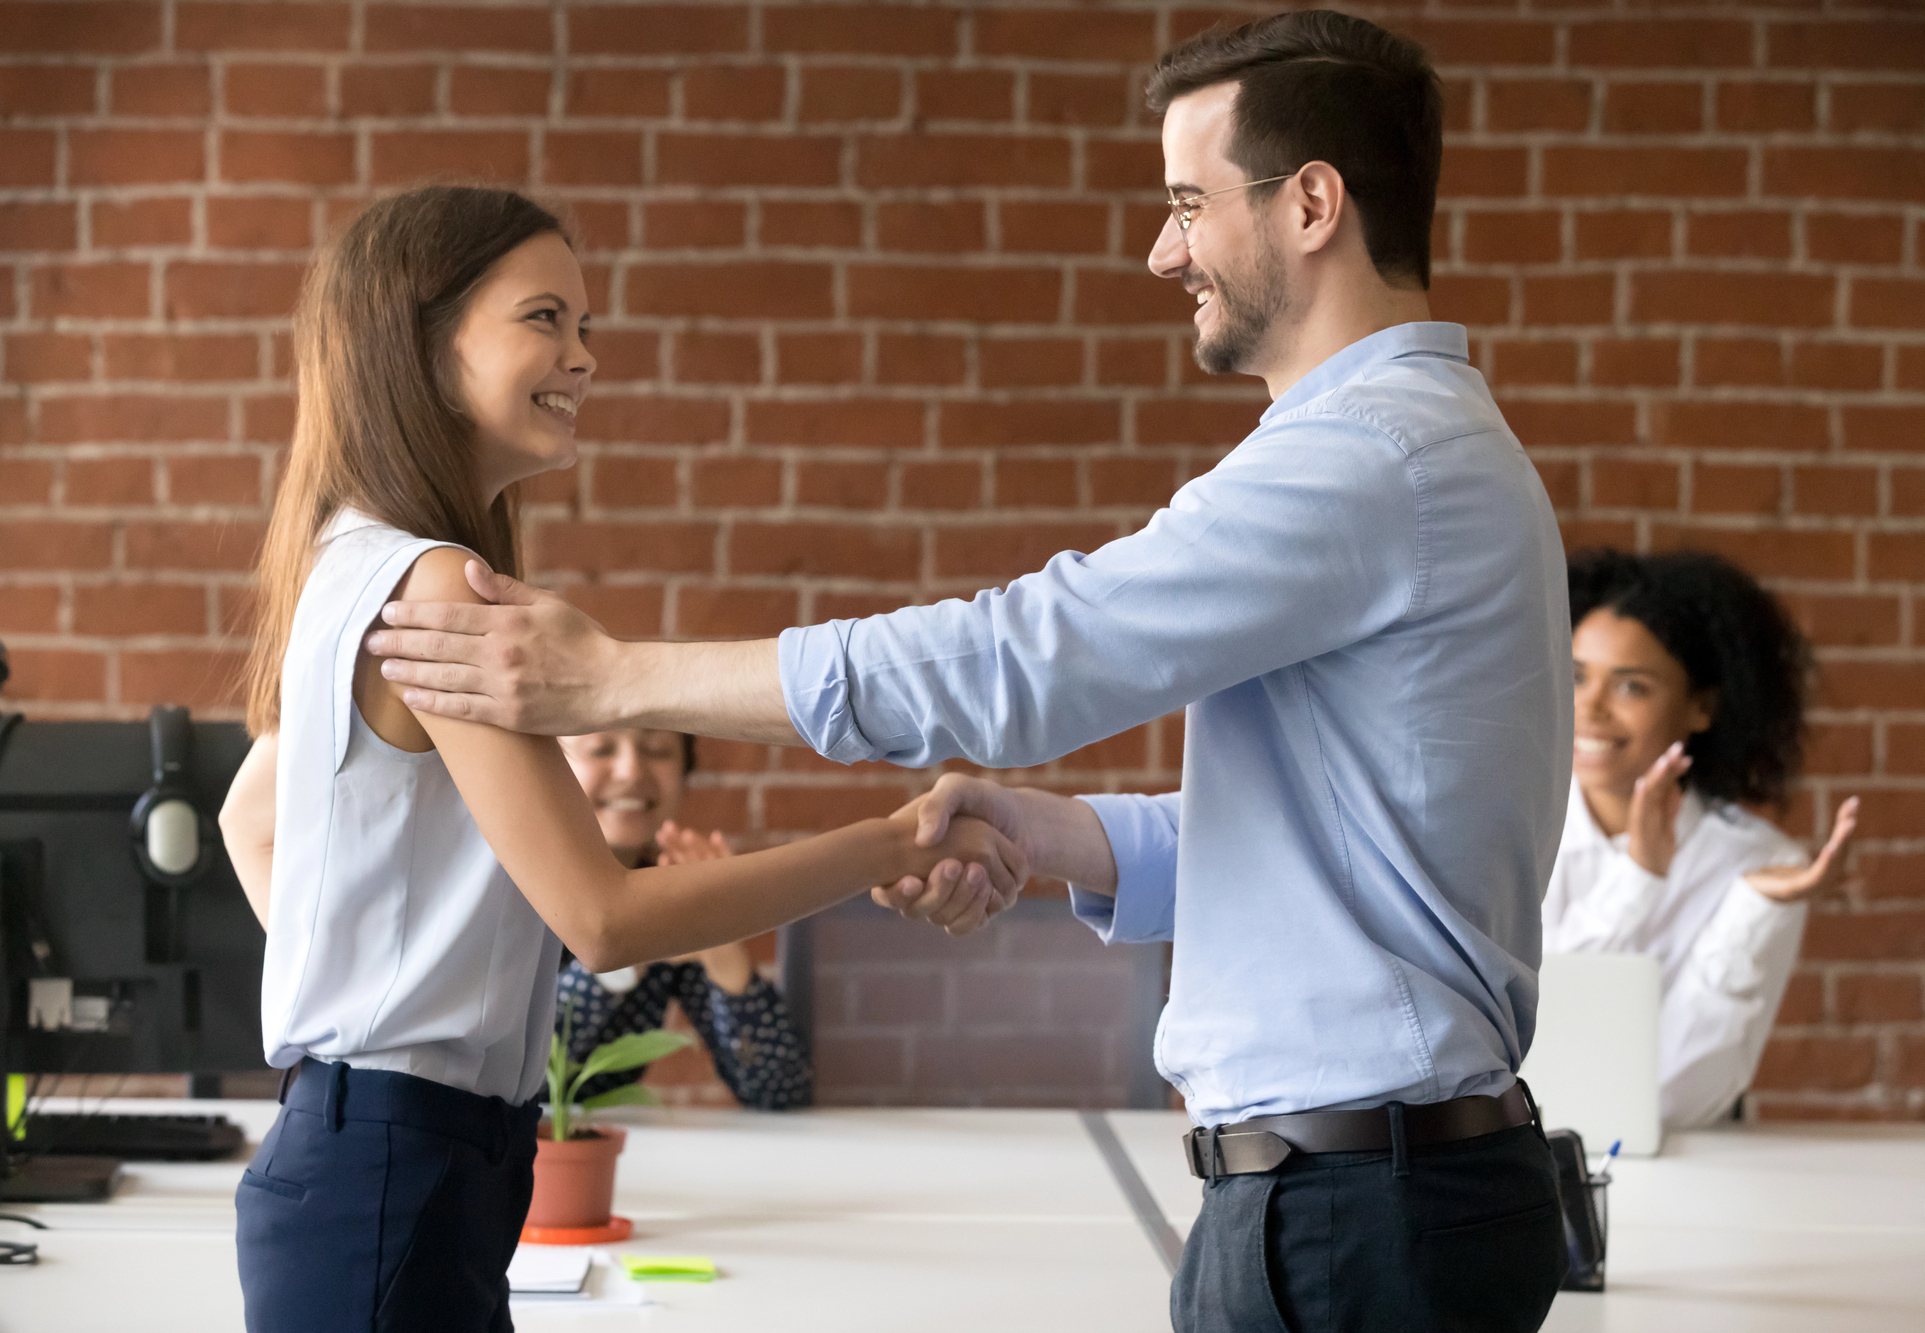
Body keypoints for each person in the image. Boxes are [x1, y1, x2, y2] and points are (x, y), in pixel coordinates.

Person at [363, 14, 1575, 1330]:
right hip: (1368, 1197)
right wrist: (1042, 833)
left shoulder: (1366, 461)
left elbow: (1022, 657)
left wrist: (613, 679)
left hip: (1356, 1217)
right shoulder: (1413, 453)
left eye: (1186, 202)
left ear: (1313, 204)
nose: (1162, 249)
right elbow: (1334, 844)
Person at [214, 185, 1023, 1333]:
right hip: (397, 1164)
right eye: (544, 318)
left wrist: (361, 994)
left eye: (584, 326)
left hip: (376, 1155)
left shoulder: (348, 557)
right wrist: (887, 841)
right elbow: (600, 918)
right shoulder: (433, 585)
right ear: (422, 340)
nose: (582, 357)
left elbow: (252, 822)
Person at [1546, 548, 1860, 1130]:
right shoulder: (1520, 827)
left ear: (1702, 707)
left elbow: (1676, 1098)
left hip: (1691, 1177)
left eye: (1631, 687)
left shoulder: (1760, 867)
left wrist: (1753, 912)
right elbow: (1543, 1043)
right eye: (1576, 675)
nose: (1588, 709)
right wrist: (1637, 880)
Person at [553, 728, 810, 1110]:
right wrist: (631, 944)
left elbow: (781, 1092)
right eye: (601, 748)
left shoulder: (668, 892)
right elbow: (519, 1061)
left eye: (657, 749)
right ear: (544, 770)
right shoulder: (504, 887)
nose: (631, 771)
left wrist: (720, 936)